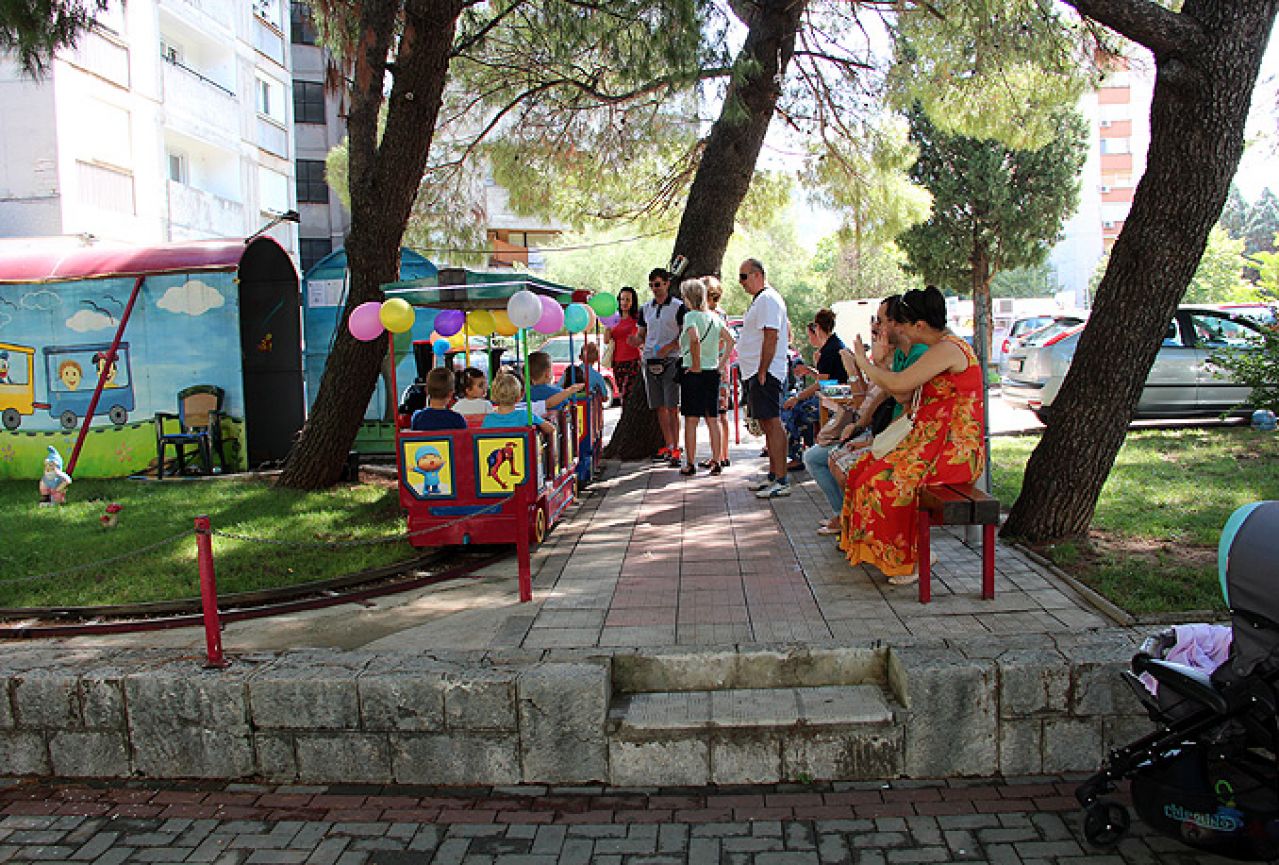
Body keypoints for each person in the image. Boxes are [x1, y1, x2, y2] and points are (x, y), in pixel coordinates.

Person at [840, 286, 986, 586]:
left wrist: (863, 363)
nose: (900, 330)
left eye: (903, 324)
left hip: (952, 451)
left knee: (886, 484)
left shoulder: (950, 349)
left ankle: (910, 560)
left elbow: (901, 381)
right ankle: (906, 553)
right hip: (929, 443)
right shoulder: (939, 349)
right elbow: (906, 395)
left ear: (919, 326)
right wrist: (876, 363)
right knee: (862, 472)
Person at [737, 258, 791, 499]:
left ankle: (781, 478)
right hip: (757, 372)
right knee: (767, 424)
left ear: (757, 275)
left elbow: (772, 336)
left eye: (744, 276)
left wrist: (762, 369)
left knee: (772, 422)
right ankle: (772, 475)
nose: (741, 283)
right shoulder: (761, 300)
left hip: (766, 372)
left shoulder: (768, 299)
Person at [781, 308, 847, 471]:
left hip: (837, 395)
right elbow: (826, 379)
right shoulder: (833, 345)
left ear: (818, 327)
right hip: (836, 392)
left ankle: (798, 456)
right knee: (798, 408)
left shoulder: (829, 350)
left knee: (793, 411)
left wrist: (798, 398)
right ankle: (807, 448)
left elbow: (822, 384)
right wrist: (812, 371)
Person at [675, 278, 728, 476]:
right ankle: (717, 459)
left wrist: (696, 365)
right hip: (712, 372)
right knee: (712, 418)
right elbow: (730, 341)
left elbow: (694, 339)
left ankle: (690, 463)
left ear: (688, 298)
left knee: (691, 420)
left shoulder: (690, 317)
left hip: (694, 373)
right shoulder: (714, 317)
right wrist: (720, 365)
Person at [632, 268, 685, 466]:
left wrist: (670, 346)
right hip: (650, 361)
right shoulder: (645, 309)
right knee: (659, 407)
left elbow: (685, 334)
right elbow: (641, 334)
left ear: (667, 284)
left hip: (671, 360)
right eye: (652, 285)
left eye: (659, 284)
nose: (656, 288)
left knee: (672, 406)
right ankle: (668, 445)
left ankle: (677, 448)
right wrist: (635, 340)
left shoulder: (678, 307)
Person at [701, 276, 735, 468]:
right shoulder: (720, 314)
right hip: (722, 366)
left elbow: (721, 341)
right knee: (719, 413)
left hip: (715, 367)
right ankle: (722, 454)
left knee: (716, 414)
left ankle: (719, 455)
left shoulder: (712, 316)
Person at [483, 372, 556, 437]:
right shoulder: (526, 415)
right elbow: (550, 429)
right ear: (519, 397)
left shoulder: (489, 418)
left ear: (494, 395)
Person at [606, 286, 642, 401]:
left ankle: (628, 417)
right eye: (622, 299)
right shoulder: (613, 319)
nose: (624, 302)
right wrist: (608, 326)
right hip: (617, 362)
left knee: (629, 393)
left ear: (633, 302)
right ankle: (626, 417)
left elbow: (643, 338)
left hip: (633, 361)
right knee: (622, 392)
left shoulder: (637, 318)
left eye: (628, 299)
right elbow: (606, 340)